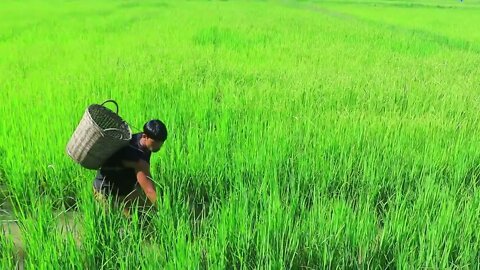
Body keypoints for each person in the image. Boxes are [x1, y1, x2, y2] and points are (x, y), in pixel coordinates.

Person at [93, 119, 168, 217]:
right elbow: (149, 191)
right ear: (145, 136)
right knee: (114, 223)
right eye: (155, 142)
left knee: (143, 217)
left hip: (125, 188)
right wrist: (165, 213)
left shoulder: (142, 140)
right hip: (106, 191)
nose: (159, 146)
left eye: (161, 143)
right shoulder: (137, 159)